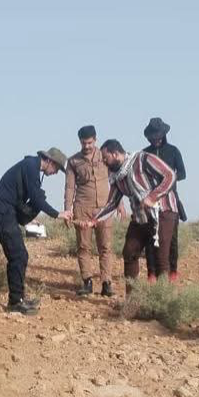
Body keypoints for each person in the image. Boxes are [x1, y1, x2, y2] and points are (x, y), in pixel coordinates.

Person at [82, 139, 179, 292]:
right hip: (141, 216)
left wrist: (153, 197)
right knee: (129, 251)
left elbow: (170, 175)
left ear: (115, 154)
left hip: (163, 211)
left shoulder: (143, 159)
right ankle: (133, 299)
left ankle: (163, 300)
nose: (104, 162)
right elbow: (112, 203)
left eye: (106, 158)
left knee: (160, 258)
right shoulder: (116, 176)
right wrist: (94, 221)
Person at [0, 148, 73, 314]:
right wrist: (57, 214)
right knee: (18, 255)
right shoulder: (31, 166)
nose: (56, 173)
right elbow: (36, 198)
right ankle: (15, 302)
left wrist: (30, 219)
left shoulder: (30, 167)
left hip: (6, 214)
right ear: (50, 161)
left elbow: (20, 199)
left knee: (19, 255)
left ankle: (18, 298)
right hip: (1, 214)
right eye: (57, 168)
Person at [64, 125, 118, 298]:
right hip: (82, 208)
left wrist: (119, 203)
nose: (86, 146)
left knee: (106, 247)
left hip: (104, 208)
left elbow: (115, 179)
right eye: (83, 143)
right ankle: (87, 281)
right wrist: (67, 210)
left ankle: (106, 283)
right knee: (83, 247)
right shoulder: (73, 161)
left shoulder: (105, 156)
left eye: (89, 142)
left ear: (95, 140)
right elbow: (69, 187)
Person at [142, 117, 187, 282]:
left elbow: (182, 173)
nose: (156, 140)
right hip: (151, 201)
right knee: (150, 237)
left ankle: (172, 270)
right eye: (153, 137)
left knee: (172, 238)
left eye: (158, 136)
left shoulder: (173, 151)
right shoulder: (144, 154)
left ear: (164, 135)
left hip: (170, 200)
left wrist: (167, 179)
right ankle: (151, 272)